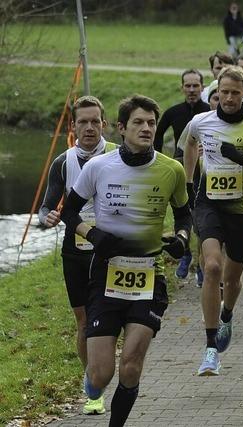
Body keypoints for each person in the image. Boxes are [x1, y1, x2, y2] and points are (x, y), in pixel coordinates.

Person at [59, 95, 192, 426]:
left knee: (131, 364)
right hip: (105, 276)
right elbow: (69, 211)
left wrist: (182, 239)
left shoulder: (171, 169)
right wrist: (93, 235)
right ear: (121, 128)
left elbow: (184, 215)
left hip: (149, 277)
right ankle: (94, 383)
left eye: (151, 123)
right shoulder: (98, 167)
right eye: (138, 122)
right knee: (101, 374)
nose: (146, 128)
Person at [183, 66, 243, 376]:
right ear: (217, 92)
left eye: (236, 92)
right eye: (224, 92)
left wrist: (242, 159)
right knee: (211, 267)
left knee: (232, 279)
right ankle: (210, 349)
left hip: (240, 210)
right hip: (208, 203)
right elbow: (190, 144)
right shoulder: (201, 122)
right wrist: (188, 179)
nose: (230, 97)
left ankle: (227, 314)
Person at [38, 95, 117, 416]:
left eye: (94, 121)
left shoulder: (117, 155)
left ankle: (108, 370)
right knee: (84, 322)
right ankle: (93, 386)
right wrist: (47, 218)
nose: (88, 128)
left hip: (112, 250)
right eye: (82, 122)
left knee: (112, 319)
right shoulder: (63, 162)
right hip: (75, 251)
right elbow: (46, 205)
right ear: (72, 127)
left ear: (104, 124)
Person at [153, 69, 210, 284]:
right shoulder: (173, 112)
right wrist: (159, 163)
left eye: (196, 86)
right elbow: (157, 136)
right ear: (182, 88)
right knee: (185, 213)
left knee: (202, 219)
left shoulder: (208, 111)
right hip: (180, 168)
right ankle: (185, 254)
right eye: (188, 86)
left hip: (204, 169)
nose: (192, 90)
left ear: (202, 88)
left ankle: (201, 265)